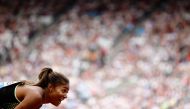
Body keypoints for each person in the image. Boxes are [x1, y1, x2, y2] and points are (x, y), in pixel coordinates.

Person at [0, 67, 70, 109]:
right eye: (64, 90)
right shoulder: (36, 96)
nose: (66, 96)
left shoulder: (38, 98)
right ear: (51, 87)